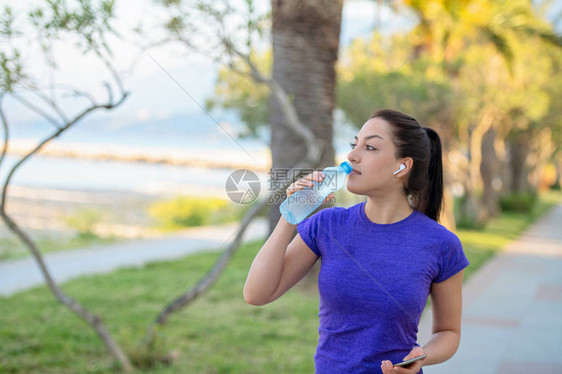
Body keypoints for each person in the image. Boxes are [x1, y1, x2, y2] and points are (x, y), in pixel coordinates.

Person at [243, 109, 470, 374]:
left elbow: (449, 331)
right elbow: (256, 294)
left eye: (370, 147)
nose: (352, 155)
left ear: (402, 166)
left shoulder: (441, 244)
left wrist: (423, 356)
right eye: (354, 144)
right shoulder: (327, 225)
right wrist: (290, 214)